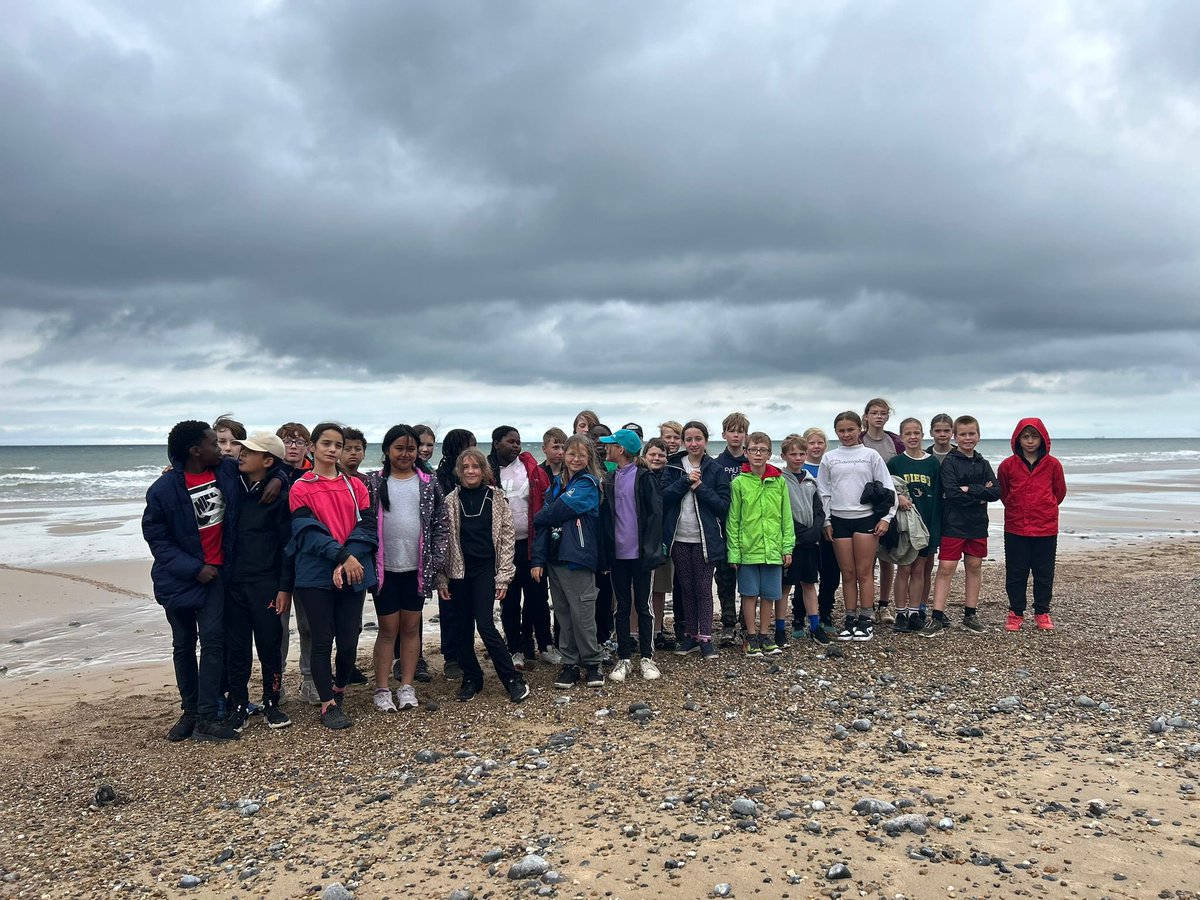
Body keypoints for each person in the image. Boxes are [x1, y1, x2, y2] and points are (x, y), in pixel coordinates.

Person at [142, 420, 282, 742]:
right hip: (179, 580)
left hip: (217, 578)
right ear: (195, 451)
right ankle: (190, 711)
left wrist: (279, 480)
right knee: (183, 645)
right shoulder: (163, 489)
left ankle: (207, 716)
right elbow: (157, 538)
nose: (221, 449)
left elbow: (270, 468)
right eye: (212, 444)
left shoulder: (226, 472)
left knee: (214, 644)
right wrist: (194, 568)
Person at [289, 423, 378, 729]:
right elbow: (308, 532)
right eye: (326, 443)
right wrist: (341, 557)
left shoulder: (356, 486)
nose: (332, 449)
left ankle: (338, 689)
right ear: (312, 447)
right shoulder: (301, 487)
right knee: (322, 639)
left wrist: (348, 559)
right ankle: (327, 704)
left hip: (353, 570)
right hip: (315, 575)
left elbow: (367, 527)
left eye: (337, 445)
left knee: (350, 640)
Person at [437, 447, 530, 702]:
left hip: (485, 569)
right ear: (459, 471)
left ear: (484, 470)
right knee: (461, 627)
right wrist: (441, 577)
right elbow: (442, 542)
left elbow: (508, 539)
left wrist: (504, 576)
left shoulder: (497, 498)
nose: (470, 471)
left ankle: (511, 678)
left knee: (486, 624)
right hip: (458, 571)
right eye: (465, 467)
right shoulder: (450, 501)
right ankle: (472, 678)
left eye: (475, 467)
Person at [369, 424, 449, 710]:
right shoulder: (375, 483)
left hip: (417, 569)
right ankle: (381, 688)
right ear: (387, 450)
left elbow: (441, 522)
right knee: (388, 629)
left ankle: (406, 686)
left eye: (411, 449)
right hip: (384, 570)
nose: (405, 454)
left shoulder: (428, 483)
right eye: (399, 448)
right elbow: (364, 523)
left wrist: (436, 560)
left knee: (412, 627)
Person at [223, 431, 293, 731]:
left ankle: (272, 703)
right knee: (237, 648)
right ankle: (238, 704)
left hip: (265, 583)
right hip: (232, 582)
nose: (241, 453)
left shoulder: (279, 496)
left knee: (269, 645)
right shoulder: (232, 484)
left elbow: (287, 546)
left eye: (250, 451)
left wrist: (284, 588)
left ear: (267, 460)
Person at [817, 411, 897, 643]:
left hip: (866, 519)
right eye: (841, 431)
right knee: (848, 574)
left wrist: (887, 518)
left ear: (858, 429)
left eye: (850, 430)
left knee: (864, 572)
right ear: (836, 432)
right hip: (839, 521)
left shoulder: (870, 455)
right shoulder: (829, 458)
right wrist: (827, 521)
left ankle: (866, 619)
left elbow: (887, 488)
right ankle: (850, 619)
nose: (846, 434)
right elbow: (824, 492)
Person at [533, 435, 606, 689]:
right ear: (563, 455)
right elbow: (545, 523)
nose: (576, 459)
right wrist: (538, 559)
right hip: (555, 558)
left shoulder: (588, 483)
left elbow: (558, 511)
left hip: (578, 557)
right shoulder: (555, 485)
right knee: (563, 614)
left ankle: (593, 662)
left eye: (581, 455)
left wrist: (540, 516)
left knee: (583, 614)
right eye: (571, 454)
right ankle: (570, 663)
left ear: (589, 459)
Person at [921, 415, 1001, 638]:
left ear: (978, 436)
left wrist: (970, 489)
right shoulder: (950, 462)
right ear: (956, 437)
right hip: (953, 524)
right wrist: (978, 493)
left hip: (977, 525)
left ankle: (970, 615)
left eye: (971, 434)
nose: (967, 438)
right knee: (946, 568)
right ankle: (936, 616)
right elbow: (952, 493)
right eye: (963, 434)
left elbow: (996, 492)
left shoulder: (983, 463)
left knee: (974, 566)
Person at [599, 428, 665, 682]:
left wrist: (651, 551)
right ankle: (624, 658)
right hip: (618, 554)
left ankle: (647, 657)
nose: (608, 448)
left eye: (611, 445)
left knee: (643, 606)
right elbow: (607, 519)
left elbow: (655, 516)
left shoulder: (644, 477)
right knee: (621, 607)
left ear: (622, 449)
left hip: (641, 555)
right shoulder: (610, 478)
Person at [488, 426, 556, 669]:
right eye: (510, 441)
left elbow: (544, 501)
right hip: (503, 548)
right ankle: (515, 648)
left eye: (518, 442)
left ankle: (546, 645)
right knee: (510, 599)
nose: (516, 446)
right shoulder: (489, 471)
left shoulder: (530, 469)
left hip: (531, 542)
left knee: (537, 596)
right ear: (496, 443)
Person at [663, 421, 730, 660]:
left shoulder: (715, 468)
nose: (693, 444)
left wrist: (700, 487)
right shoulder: (673, 466)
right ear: (683, 442)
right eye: (689, 439)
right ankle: (690, 636)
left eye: (698, 439)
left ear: (706, 440)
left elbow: (723, 506)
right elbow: (663, 499)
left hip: (705, 539)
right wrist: (684, 482)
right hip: (678, 538)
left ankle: (706, 638)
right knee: (686, 587)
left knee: (703, 588)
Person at [727, 432, 794, 657]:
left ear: (769, 453)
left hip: (773, 548)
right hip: (748, 549)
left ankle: (765, 635)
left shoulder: (779, 481)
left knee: (769, 594)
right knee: (748, 594)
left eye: (763, 450)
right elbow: (733, 520)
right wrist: (734, 552)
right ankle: (751, 636)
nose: (758, 454)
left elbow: (786, 517)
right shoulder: (738, 483)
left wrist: (787, 547)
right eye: (753, 449)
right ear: (746, 452)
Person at [998, 418, 1066, 632]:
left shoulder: (1053, 464)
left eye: (1034, 436)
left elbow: (1059, 492)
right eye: (1025, 437)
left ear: (1043, 439)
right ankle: (1016, 612)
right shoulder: (1007, 465)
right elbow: (1004, 492)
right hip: (1016, 526)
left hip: (1045, 527)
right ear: (1018, 439)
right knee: (1016, 572)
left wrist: (1046, 506)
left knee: (1044, 572)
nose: (1029, 441)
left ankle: (1042, 612)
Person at [887, 418, 941, 634]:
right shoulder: (895, 463)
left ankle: (914, 613)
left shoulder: (932, 463)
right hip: (904, 527)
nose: (912, 437)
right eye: (908, 433)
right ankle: (899, 613)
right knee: (904, 568)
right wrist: (898, 495)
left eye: (916, 433)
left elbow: (938, 498)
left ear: (922, 435)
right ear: (901, 436)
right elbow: (886, 489)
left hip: (926, 524)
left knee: (919, 569)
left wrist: (936, 531)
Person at [780, 435, 829, 646]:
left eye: (801, 453)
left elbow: (818, 509)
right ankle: (781, 628)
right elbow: (781, 512)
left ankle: (815, 627)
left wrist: (816, 530)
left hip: (811, 542)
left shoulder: (811, 479)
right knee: (784, 586)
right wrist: (798, 532)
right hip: (791, 543)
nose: (798, 457)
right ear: (783, 456)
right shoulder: (779, 479)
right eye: (793, 454)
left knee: (809, 583)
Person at [860, 399, 904, 625]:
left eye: (883, 413)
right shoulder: (859, 440)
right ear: (866, 416)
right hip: (862, 505)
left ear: (888, 416)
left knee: (887, 559)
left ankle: (884, 606)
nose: (878, 416)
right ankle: (865, 605)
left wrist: (901, 497)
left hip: (888, 505)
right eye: (874, 412)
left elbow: (902, 472)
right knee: (865, 562)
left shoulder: (895, 442)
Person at [713, 412, 750, 644]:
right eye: (732, 431)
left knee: (748, 576)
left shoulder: (752, 462)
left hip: (749, 530)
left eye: (740, 431)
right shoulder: (717, 464)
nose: (736, 435)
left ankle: (746, 623)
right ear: (724, 433)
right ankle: (728, 624)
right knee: (725, 577)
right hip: (723, 529)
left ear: (746, 434)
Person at [802, 427, 840, 634]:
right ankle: (800, 616)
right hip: (806, 529)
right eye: (811, 443)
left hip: (830, 526)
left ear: (826, 445)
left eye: (820, 443)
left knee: (831, 574)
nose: (816, 447)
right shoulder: (800, 467)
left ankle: (826, 612)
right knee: (805, 575)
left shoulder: (830, 465)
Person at [643, 438, 677, 650]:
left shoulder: (672, 476)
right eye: (652, 454)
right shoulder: (637, 476)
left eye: (661, 455)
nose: (657, 458)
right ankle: (635, 632)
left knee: (660, 588)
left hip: (663, 539)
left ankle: (657, 632)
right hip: (639, 540)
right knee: (638, 590)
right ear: (644, 455)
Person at [435, 429, 477, 497]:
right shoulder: (438, 479)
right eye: (470, 448)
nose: (476, 451)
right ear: (456, 449)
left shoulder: (476, 475)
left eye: (475, 447)